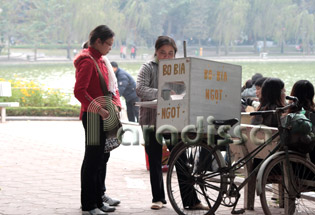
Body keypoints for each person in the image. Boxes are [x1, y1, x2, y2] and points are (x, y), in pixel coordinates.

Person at [136, 36, 208, 211]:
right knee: (154, 160)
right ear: (156, 52)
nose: (166, 57)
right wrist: (163, 92)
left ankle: (191, 200)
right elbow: (140, 89)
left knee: (180, 158)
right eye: (163, 53)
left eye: (170, 53)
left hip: (173, 119)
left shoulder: (179, 69)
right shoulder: (148, 67)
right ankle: (158, 198)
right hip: (151, 120)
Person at [74, 25, 121, 215]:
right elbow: (79, 91)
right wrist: (99, 109)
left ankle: (97, 200)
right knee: (92, 160)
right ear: (98, 41)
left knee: (100, 158)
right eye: (108, 44)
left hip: (101, 114)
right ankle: (89, 205)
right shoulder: (87, 61)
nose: (110, 47)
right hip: (93, 116)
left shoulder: (99, 59)